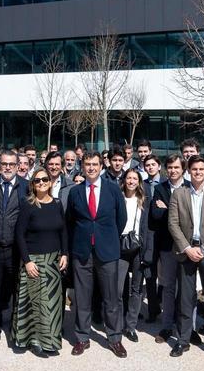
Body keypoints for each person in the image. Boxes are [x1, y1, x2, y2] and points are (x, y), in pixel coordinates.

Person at [65, 151, 128, 357]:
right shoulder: (75, 192)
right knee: (82, 298)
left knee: (111, 298)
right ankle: (82, 337)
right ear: (82, 167)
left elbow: (121, 219)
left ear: (102, 166)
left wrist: (106, 237)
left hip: (107, 251)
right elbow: (70, 222)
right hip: (82, 251)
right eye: (87, 164)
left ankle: (114, 338)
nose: (91, 168)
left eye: (95, 164)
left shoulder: (113, 190)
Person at [168, 155, 204, 360]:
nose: (198, 173)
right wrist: (186, 248)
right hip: (186, 253)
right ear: (188, 171)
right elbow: (173, 224)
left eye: (202, 169)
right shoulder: (179, 193)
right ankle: (183, 340)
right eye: (194, 169)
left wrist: (202, 249)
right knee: (185, 299)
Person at [13, 169, 67, 356]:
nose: (42, 182)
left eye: (45, 179)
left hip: (53, 263)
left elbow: (63, 231)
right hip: (34, 261)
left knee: (52, 304)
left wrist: (65, 254)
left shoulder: (57, 203)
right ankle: (33, 341)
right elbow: (19, 234)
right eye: (37, 180)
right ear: (33, 184)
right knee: (35, 303)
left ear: (51, 182)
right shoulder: (28, 204)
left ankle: (50, 341)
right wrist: (27, 261)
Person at [150, 154, 186, 344]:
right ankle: (166, 326)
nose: (173, 171)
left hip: (187, 247)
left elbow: (192, 218)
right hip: (167, 246)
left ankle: (186, 328)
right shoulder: (160, 188)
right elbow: (155, 215)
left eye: (176, 168)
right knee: (168, 287)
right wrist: (176, 214)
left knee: (187, 289)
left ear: (183, 169)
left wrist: (168, 210)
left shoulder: (189, 187)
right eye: (170, 167)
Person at [0, 150, 26, 345]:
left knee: (17, 291)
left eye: (11, 164)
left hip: (16, 250)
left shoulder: (26, 187)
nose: (7, 167)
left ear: (17, 165)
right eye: (4, 164)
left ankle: (16, 328)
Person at [116, 168, 148, 342]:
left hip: (138, 247)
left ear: (139, 181)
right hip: (120, 246)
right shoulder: (118, 197)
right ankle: (119, 323)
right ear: (124, 180)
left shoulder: (143, 200)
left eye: (135, 178)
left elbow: (147, 228)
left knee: (136, 289)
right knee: (119, 289)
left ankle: (131, 326)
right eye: (129, 178)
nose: (131, 181)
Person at [138, 154, 163, 322]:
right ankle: (153, 309)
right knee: (150, 273)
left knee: (168, 275)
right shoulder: (143, 186)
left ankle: (167, 306)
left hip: (167, 234)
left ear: (159, 166)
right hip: (149, 233)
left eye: (153, 164)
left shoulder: (166, 183)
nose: (150, 167)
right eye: (147, 165)